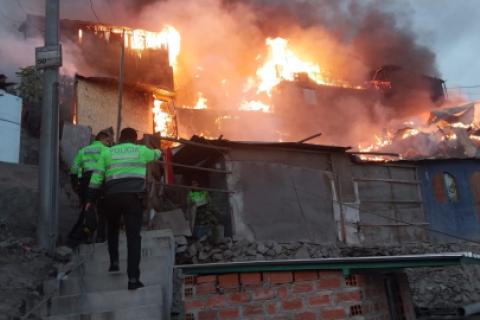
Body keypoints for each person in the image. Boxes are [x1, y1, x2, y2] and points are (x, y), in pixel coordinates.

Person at [86, 127, 161, 290]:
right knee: (133, 237)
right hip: (133, 198)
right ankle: (133, 279)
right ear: (135, 139)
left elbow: (97, 176)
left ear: (119, 138)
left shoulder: (108, 152)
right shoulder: (141, 150)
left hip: (111, 197)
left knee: (112, 229)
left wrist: (90, 199)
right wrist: (156, 150)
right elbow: (157, 154)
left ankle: (114, 262)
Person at [69, 131, 111, 243]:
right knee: (102, 209)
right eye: (107, 141)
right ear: (102, 139)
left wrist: (75, 185)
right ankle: (100, 237)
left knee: (87, 208)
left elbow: (74, 169)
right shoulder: (107, 150)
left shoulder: (83, 151)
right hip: (102, 181)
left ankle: (85, 236)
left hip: (86, 181)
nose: (108, 143)